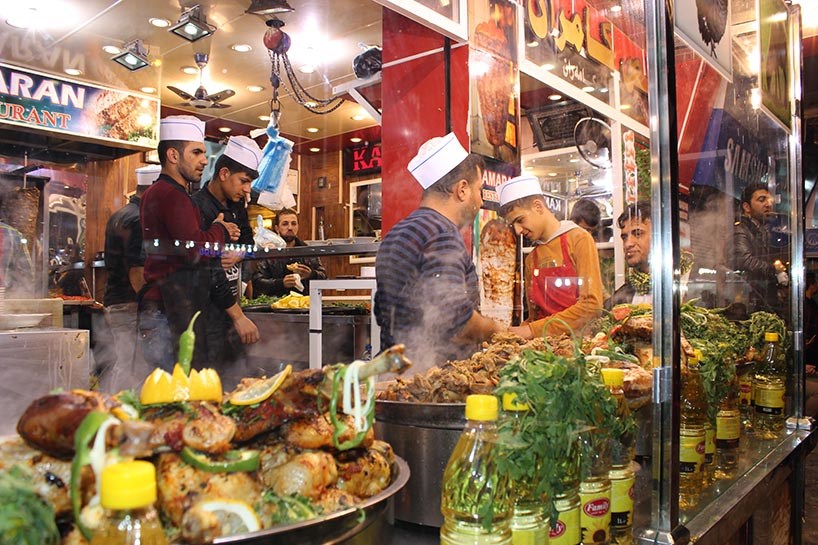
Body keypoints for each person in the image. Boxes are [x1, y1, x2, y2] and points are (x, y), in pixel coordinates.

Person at [374, 132, 505, 373]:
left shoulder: (398, 231)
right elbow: (455, 321)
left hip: (395, 371)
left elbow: (382, 309)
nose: (480, 200)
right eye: (479, 189)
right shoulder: (442, 233)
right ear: (462, 190)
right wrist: (497, 330)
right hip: (431, 377)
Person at [140, 115, 258, 371]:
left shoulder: (162, 192)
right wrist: (220, 230)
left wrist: (237, 251)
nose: (204, 160)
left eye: (204, 153)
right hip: (171, 307)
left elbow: (244, 245)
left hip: (172, 305)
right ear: (173, 155)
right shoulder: (172, 195)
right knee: (181, 391)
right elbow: (196, 250)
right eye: (196, 152)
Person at [496, 175, 603, 338]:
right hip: (543, 352)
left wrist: (532, 330)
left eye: (520, 220)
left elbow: (591, 305)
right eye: (513, 225)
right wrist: (514, 334)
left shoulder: (578, 239)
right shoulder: (531, 258)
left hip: (577, 348)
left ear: (538, 206)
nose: (518, 231)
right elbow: (535, 317)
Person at [192, 136, 261, 370]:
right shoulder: (198, 206)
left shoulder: (237, 206)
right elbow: (206, 267)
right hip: (207, 316)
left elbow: (251, 245)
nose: (247, 189)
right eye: (243, 181)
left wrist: (240, 253)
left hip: (232, 309)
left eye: (250, 182)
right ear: (223, 173)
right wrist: (239, 317)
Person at [98, 164, 158, 391]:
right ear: (152, 188)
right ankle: (118, 416)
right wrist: (148, 308)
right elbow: (137, 271)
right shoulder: (140, 218)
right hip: (131, 304)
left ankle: (115, 413)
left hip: (115, 299)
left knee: (124, 363)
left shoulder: (120, 215)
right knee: (133, 367)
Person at [732, 183, 787, 314]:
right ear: (746, 207)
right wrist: (774, 270)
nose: (768, 204)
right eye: (761, 200)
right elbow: (744, 261)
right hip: (749, 301)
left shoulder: (761, 230)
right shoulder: (741, 230)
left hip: (760, 300)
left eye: (769, 200)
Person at [252, 208, 327, 297]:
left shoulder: (307, 251)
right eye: (285, 224)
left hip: (304, 304)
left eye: (293, 223)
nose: (290, 227)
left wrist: (311, 274)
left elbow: (324, 277)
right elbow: (257, 282)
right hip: (275, 305)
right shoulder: (269, 251)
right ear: (277, 228)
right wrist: (281, 283)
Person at [607, 202, 652, 307]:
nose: (628, 244)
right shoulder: (619, 299)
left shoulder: (684, 285)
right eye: (624, 237)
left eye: (637, 233)